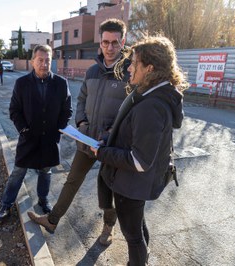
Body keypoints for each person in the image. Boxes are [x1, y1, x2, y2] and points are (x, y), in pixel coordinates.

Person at [28, 18, 130, 246]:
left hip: (112, 145)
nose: (110, 48)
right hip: (86, 139)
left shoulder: (129, 73)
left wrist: (111, 133)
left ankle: (108, 228)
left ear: (122, 41)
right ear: (100, 43)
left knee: (109, 189)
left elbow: (131, 113)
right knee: (72, 181)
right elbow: (82, 99)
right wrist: (82, 123)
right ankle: (52, 220)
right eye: (105, 42)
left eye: (115, 43)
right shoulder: (92, 71)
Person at [91, 35, 188, 265]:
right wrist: (110, 137)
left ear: (150, 68)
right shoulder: (150, 94)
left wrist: (102, 153)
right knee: (137, 227)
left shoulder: (151, 105)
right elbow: (135, 136)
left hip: (131, 184)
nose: (130, 67)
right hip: (135, 184)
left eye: (135, 63)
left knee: (133, 237)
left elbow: (139, 160)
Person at [0, 44, 73, 223]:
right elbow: (15, 110)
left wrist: (59, 127)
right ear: (33, 61)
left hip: (50, 139)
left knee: (46, 172)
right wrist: (23, 129)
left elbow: (67, 109)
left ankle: (43, 200)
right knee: (18, 172)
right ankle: (6, 204)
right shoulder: (22, 84)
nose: (44, 64)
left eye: (47, 60)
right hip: (28, 138)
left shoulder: (61, 83)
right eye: (40, 60)